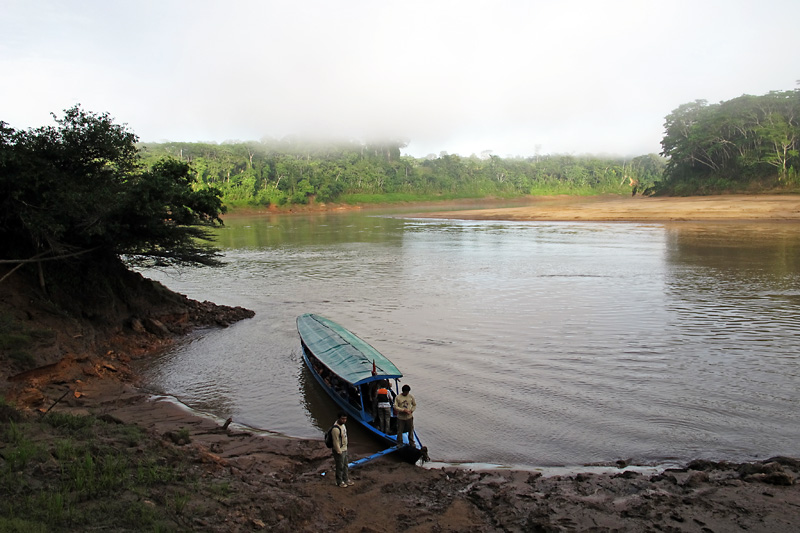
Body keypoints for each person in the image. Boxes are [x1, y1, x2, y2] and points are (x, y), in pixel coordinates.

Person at [331, 412, 353, 487]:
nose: (344, 420)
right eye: (342, 419)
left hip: (344, 448)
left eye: (345, 419)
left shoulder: (343, 426)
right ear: (339, 418)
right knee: (340, 466)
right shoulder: (335, 429)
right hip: (339, 450)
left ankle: (346, 479)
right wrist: (338, 451)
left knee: (345, 465)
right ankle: (339, 481)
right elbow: (335, 441)